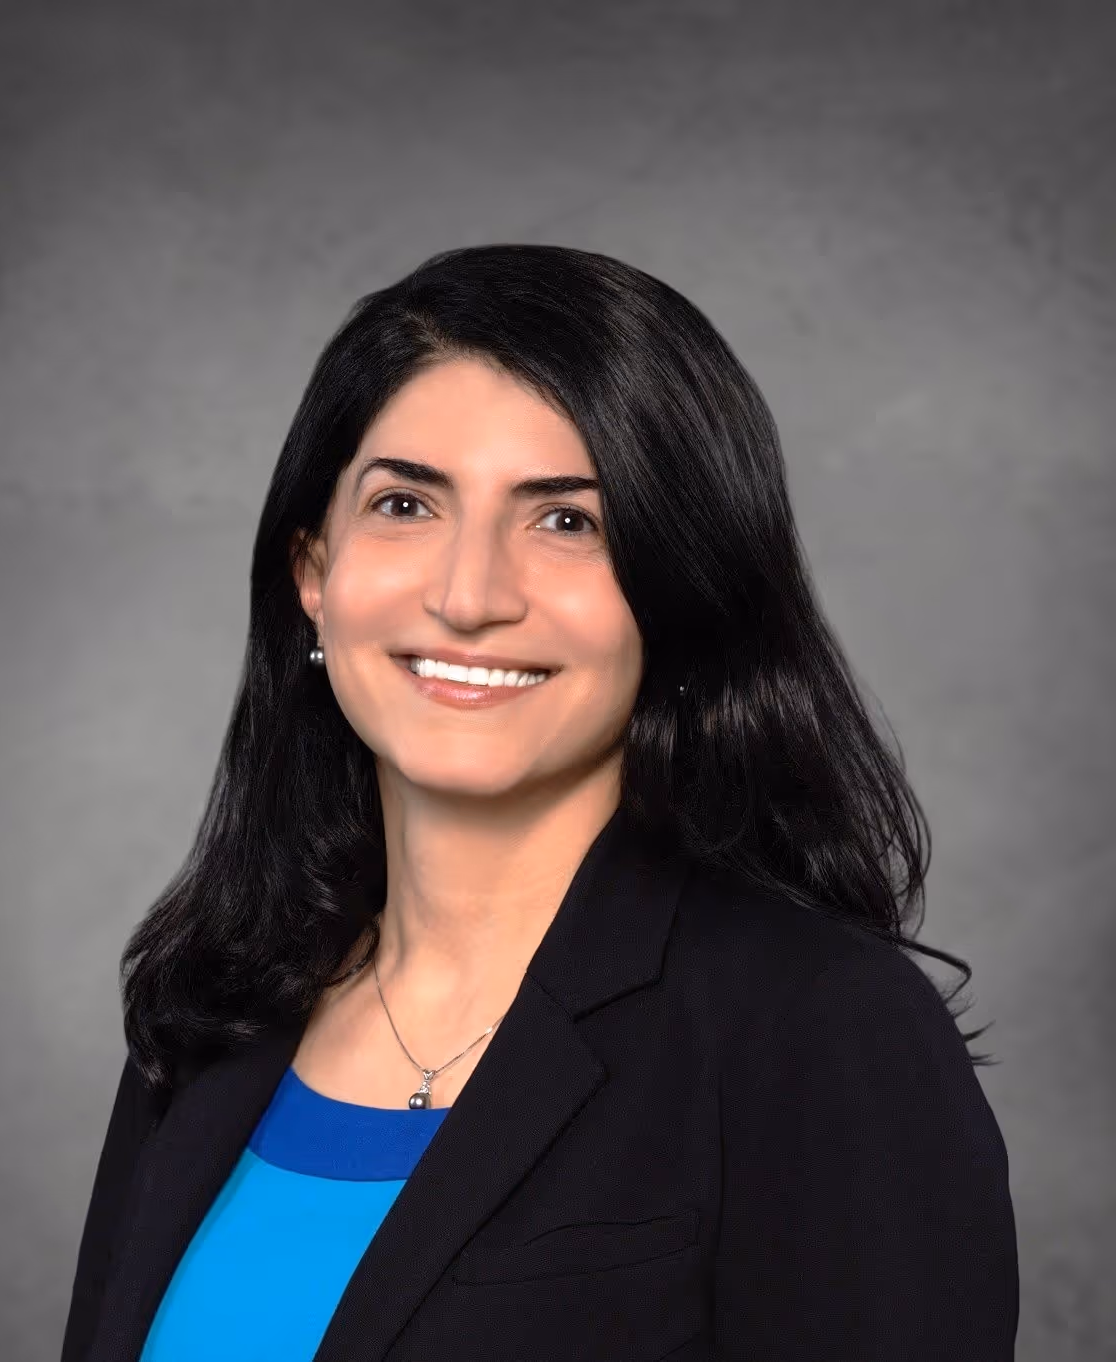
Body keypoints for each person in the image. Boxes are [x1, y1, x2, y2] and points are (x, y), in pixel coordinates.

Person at [60, 243, 1019, 1362]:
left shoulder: (817, 1027)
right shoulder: (216, 1004)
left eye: (568, 522)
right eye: (405, 503)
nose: (469, 596)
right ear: (315, 573)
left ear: (683, 590)